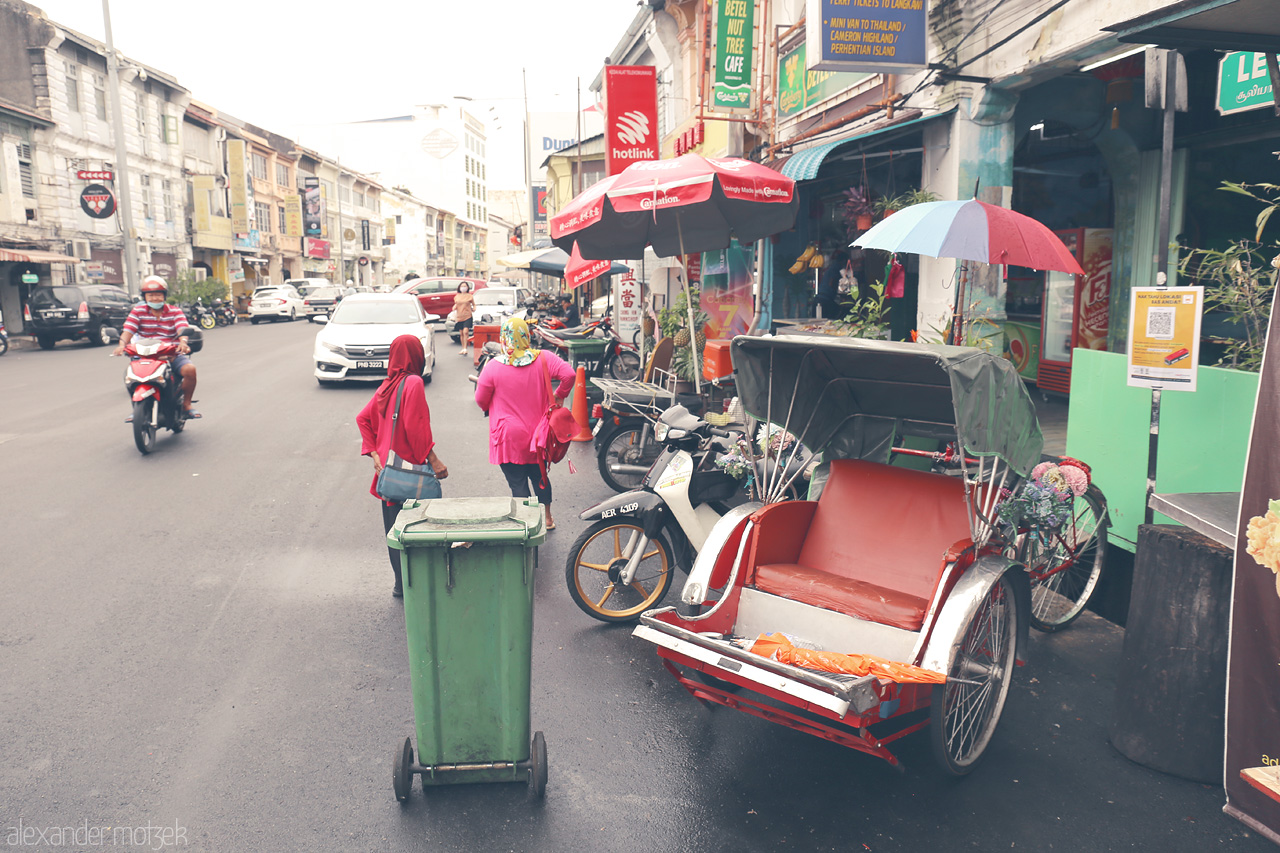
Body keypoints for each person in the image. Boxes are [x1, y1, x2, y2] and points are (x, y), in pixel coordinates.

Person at [357, 335, 448, 597]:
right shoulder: (414, 383)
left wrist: (375, 454)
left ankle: (401, 584)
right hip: (413, 473)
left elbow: (362, 419)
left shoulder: (387, 386)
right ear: (416, 355)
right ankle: (421, 582)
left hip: (389, 474)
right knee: (419, 528)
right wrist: (435, 460)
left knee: (394, 530)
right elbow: (416, 427)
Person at [474, 316, 574, 531]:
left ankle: (527, 523)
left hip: (508, 435)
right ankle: (547, 518)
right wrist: (560, 395)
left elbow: (480, 400)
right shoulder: (544, 358)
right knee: (540, 476)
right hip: (540, 434)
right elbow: (569, 374)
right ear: (527, 336)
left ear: (504, 338)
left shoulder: (493, 367)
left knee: (517, 481)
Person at [113, 275, 200, 418]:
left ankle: (186, 405)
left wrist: (183, 342)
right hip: (144, 355)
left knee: (190, 370)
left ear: (164, 296)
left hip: (171, 353)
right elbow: (128, 330)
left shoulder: (175, 312)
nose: (154, 299)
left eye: (158, 295)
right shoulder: (137, 312)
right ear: (145, 297)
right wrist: (122, 345)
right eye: (151, 295)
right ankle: (137, 408)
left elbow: (181, 329)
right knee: (130, 377)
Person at [453, 281, 476, 357]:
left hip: (467, 315)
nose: (463, 287)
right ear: (459, 288)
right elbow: (456, 304)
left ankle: (465, 348)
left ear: (467, 288)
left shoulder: (470, 296)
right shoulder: (457, 296)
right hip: (460, 316)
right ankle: (463, 348)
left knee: (466, 331)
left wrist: (474, 308)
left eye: (465, 286)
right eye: (462, 286)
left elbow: (474, 304)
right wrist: (454, 307)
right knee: (461, 333)